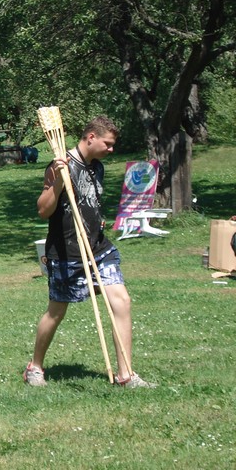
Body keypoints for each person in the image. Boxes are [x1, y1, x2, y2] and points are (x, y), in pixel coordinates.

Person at [24, 116, 155, 388]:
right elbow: (43, 210)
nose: (111, 149)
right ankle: (35, 366)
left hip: (98, 249)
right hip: (66, 252)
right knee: (56, 312)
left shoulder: (98, 168)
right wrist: (59, 181)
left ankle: (126, 375)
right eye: (107, 144)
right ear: (91, 137)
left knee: (121, 301)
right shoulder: (60, 165)